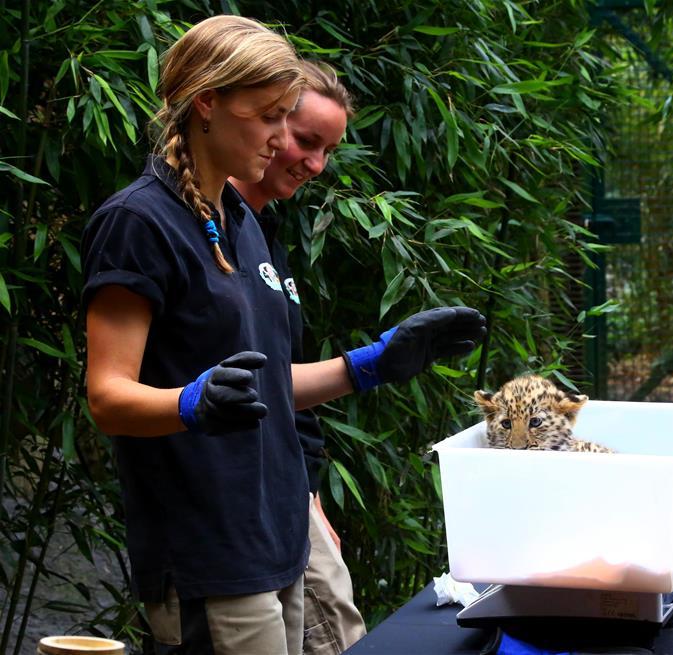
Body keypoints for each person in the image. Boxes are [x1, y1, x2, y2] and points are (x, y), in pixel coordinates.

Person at [81, 16, 485, 655]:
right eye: (270, 116)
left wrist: (370, 364)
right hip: (209, 549)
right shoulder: (138, 221)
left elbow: (261, 386)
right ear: (208, 103)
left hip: (276, 531)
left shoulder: (241, 221)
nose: (278, 136)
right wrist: (188, 403)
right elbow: (106, 396)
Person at [228, 61, 484, 654]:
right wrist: (370, 362)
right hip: (234, 510)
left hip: (287, 488)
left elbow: (277, 379)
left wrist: (310, 491)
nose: (314, 165)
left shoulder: (265, 236)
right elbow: (224, 388)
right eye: (303, 139)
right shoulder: (186, 228)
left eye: (328, 151)